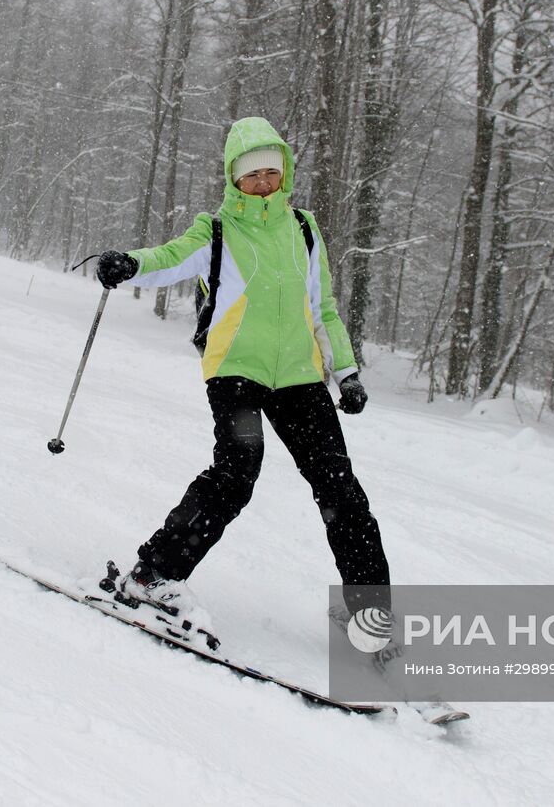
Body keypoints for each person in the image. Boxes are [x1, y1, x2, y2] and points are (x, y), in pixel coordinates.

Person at [94, 116, 391, 644]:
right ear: (233, 177)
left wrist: (345, 373)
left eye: (271, 173)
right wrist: (129, 264)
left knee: (340, 490)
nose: (263, 182)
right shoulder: (217, 230)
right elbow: (168, 259)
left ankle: (372, 617)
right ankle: (153, 575)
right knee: (236, 474)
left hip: (300, 376)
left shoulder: (303, 228)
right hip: (236, 372)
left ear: (285, 173)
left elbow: (322, 306)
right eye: (251, 174)